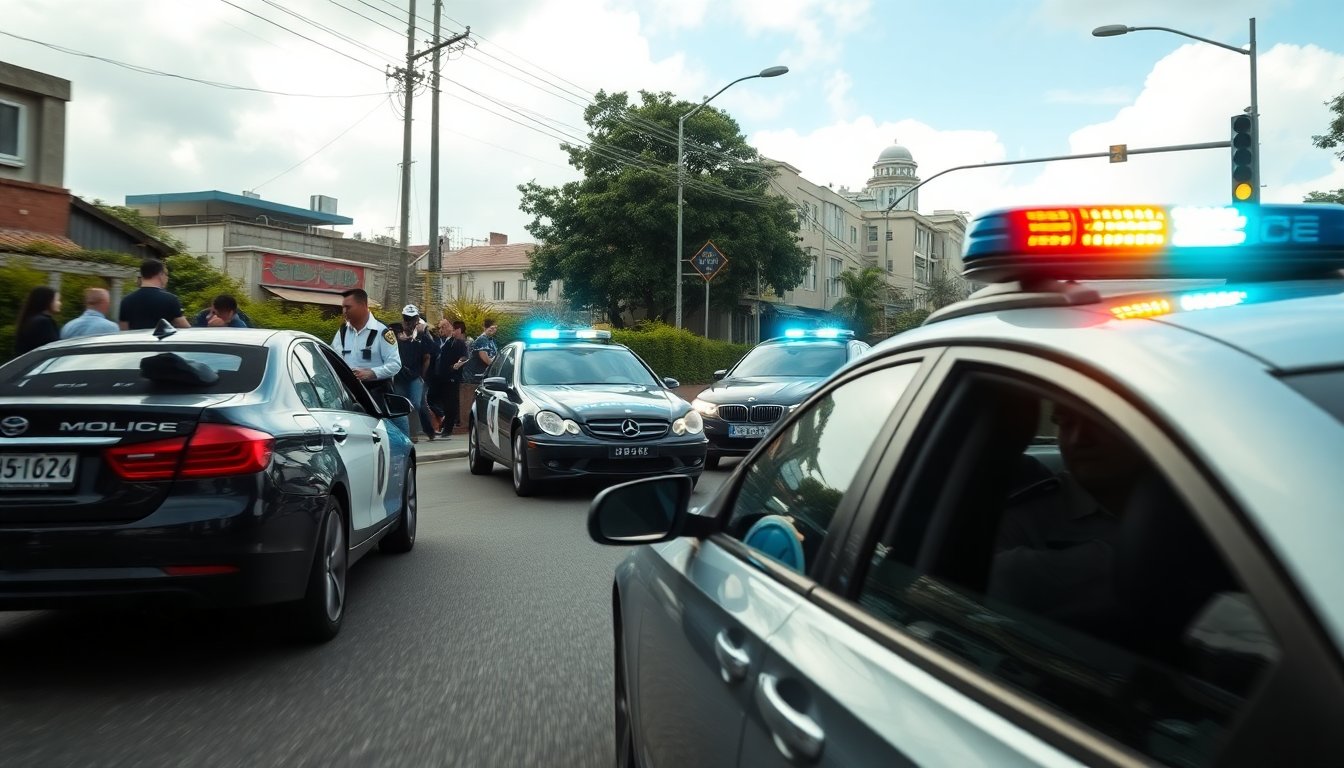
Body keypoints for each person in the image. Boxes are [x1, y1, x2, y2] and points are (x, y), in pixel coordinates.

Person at [988, 403, 1147, 633]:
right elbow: (995, 592)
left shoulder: (1190, 502)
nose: (1078, 439)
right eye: (1066, 423)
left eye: (1099, 422)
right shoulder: (1027, 517)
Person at [331, 288, 405, 435]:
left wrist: (371, 373)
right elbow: (333, 358)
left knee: (393, 436)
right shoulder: (343, 332)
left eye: (348, 307)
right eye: (343, 307)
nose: (344, 311)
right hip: (348, 395)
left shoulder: (382, 332)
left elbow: (395, 364)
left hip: (376, 395)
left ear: (363, 305)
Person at [393, 304, 435, 441]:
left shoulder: (422, 335)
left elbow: (429, 355)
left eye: (412, 318)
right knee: (399, 404)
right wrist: (399, 335)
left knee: (416, 403)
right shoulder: (395, 331)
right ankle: (404, 433)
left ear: (417, 319)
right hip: (399, 376)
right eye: (406, 318)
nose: (408, 321)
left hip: (415, 376)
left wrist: (422, 376)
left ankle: (413, 432)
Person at [119, 258, 189, 331]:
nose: (167, 278)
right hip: (161, 341)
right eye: (166, 275)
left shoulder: (126, 300)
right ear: (160, 274)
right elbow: (185, 328)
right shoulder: (171, 300)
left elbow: (123, 330)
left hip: (137, 341)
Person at [431, 319, 469, 438]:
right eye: (440, 328)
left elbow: (464, 356)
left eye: (443, 327)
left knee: (449, 403)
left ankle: (448, 428)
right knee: (431, 398)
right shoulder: (438, 341)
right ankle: (443, 419)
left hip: (451, 376)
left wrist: (458, 363)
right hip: (438, 376)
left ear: (450, 328)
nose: (441, 330)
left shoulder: (457, 342)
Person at [14, 286, 62, 355]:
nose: (60, 303)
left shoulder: (29, 319)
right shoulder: (43, 322)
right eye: (57, 300)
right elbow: (53, 349)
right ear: (47, 301)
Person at [463, 318, 499, 383]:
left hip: (481, 375)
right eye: (491, 328)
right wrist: (496, 368)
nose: (493, 330)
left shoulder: (491, 340)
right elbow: (484, 356)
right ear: (485, 328)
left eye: (495, 328)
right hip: (475, 376)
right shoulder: (482, 339)